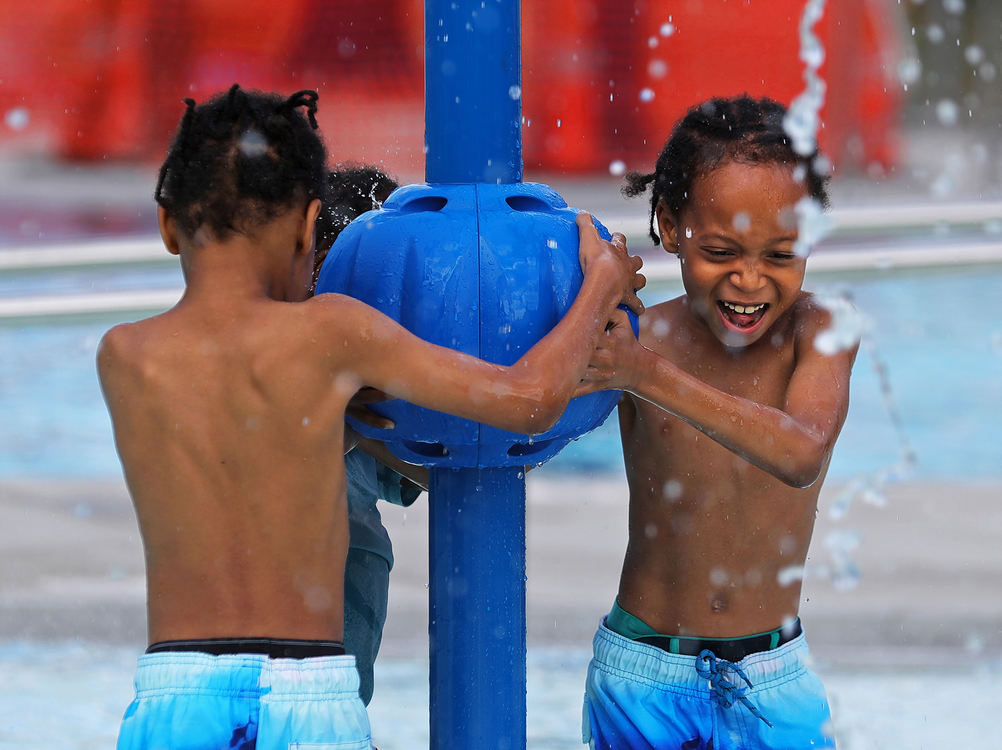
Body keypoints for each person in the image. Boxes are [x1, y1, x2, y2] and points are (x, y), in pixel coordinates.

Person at [97, 84, 643, 749]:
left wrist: (342, 420)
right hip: (306, 692)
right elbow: (530, 400)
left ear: (165, 223)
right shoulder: (333, 337)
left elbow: (238, 451)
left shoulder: (126, 356)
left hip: (175, 694)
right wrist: (600, 290)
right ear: (308, 226)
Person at [576, 95, 857, 750]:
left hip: (771, 675)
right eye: (724, 250)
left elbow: (800, 452)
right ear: (672, 229)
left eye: (780, 255)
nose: (750, 280)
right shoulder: (640, 334)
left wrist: (645, 374)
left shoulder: (821, 331)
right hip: (644, 669)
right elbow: (532, 417)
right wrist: (591, 292)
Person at [313, 165, 429, 708]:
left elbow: (447, 474)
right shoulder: (263, 385)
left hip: (332, 697)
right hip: (296, 684)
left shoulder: (379, 397)